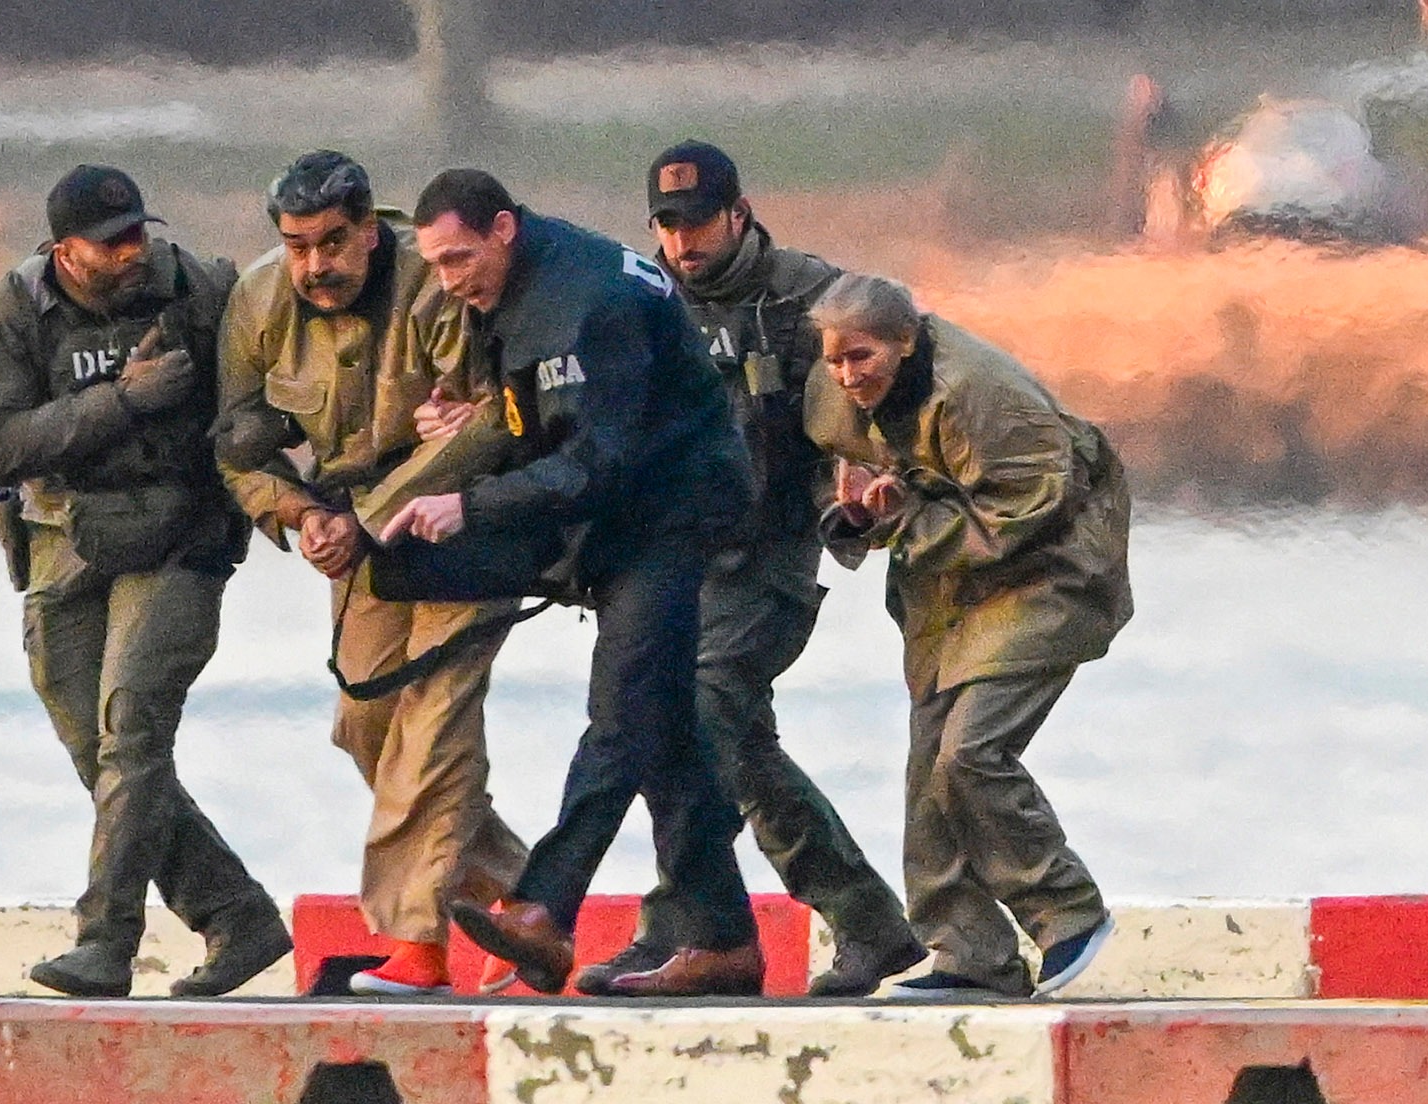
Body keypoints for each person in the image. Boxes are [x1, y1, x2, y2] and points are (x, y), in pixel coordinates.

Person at [384, 168, 762, 997]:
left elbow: (599, 462)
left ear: (505, 229)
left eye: (458, 259)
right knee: (663, 734)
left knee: (621, 709)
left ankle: (545, 910)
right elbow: (538, 422)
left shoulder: (591, 300)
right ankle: (726, 940)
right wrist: (468, 425)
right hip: (618, 517)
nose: (448, 282)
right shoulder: (507, 291)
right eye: (436, 266)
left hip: (673, 509)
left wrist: (471, 503)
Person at [570, 141, 924, 999]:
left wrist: (869, 486)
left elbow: (899, 379)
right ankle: (687, 927)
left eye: (697, 223)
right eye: (666, 224)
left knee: (711, 708)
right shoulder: (632, 301)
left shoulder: (810, 297)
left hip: (769, 553)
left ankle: (847, 918)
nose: (683, 242)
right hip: (667, 559)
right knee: (659, 718)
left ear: (738, 214)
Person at [0, 164, 290, 998]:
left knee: (133, 733)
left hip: (179, 539)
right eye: (109, 244)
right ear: (61, 250)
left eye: (138, 233)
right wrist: (124, 400)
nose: (131, 252)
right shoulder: (14, 311)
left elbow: (265, 393)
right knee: (95, 753)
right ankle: (236, 916)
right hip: (61, 541)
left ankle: (105, 943)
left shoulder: (203, 289)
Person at [213, 150, 528, 997]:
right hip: (352, 539)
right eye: (296, 246)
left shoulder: (435, 283)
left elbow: (492, 423)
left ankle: (417, 950)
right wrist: (299, 512)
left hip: (465, 526)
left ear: (369, 228)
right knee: (368, 724)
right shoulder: (258, 300)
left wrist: (370, 513)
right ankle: (529, 901)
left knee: (436, 726)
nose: (315, 266)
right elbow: (237, 443)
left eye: (331, 243)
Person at [803, 273, 1131, 1000]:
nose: (847, 376)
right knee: (929, 766)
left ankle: (1068, 911)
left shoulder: (982, 392)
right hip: (945, 584)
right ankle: (971, 952)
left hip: (1050, 569)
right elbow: (836, 475)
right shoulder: (833, 395)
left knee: (972, 752)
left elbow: (1031, 507)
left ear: (906, 342)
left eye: (863, 357)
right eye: (835, 360)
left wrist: (907, 515)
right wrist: (856, 513)